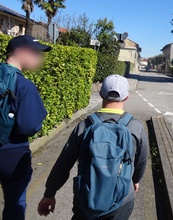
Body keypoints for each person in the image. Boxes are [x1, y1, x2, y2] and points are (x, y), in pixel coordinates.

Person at [38, 74, 148, 219]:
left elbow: (64, 163)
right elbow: (141, 160)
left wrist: (49, 194)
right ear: (126, 97)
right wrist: (135, 180)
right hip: (122, 200)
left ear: (101, 94)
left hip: (86, 198)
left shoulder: (84, 125)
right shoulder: (135, 126)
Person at [0, 35, 51, 220]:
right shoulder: (25, 85)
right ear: (20, 52)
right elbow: (30, 125)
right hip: (12, 154)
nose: (39, 58)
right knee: (15, 202)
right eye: (35, 53)